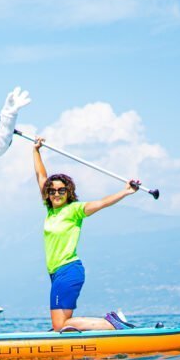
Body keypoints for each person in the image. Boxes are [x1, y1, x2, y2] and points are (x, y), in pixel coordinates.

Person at [33, 136, 140, 332]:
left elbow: (102, 203)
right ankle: (106, 326)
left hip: (68, 270)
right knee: (62, 325)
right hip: (57, 273)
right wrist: (36, 150)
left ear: (68, 192)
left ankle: (111, 323)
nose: (56, 193)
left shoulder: (74, 210)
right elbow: (41, 176)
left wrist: (125, 191)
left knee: (59, 325)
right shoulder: (50, 210)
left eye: (61, 190)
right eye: (52, 191)